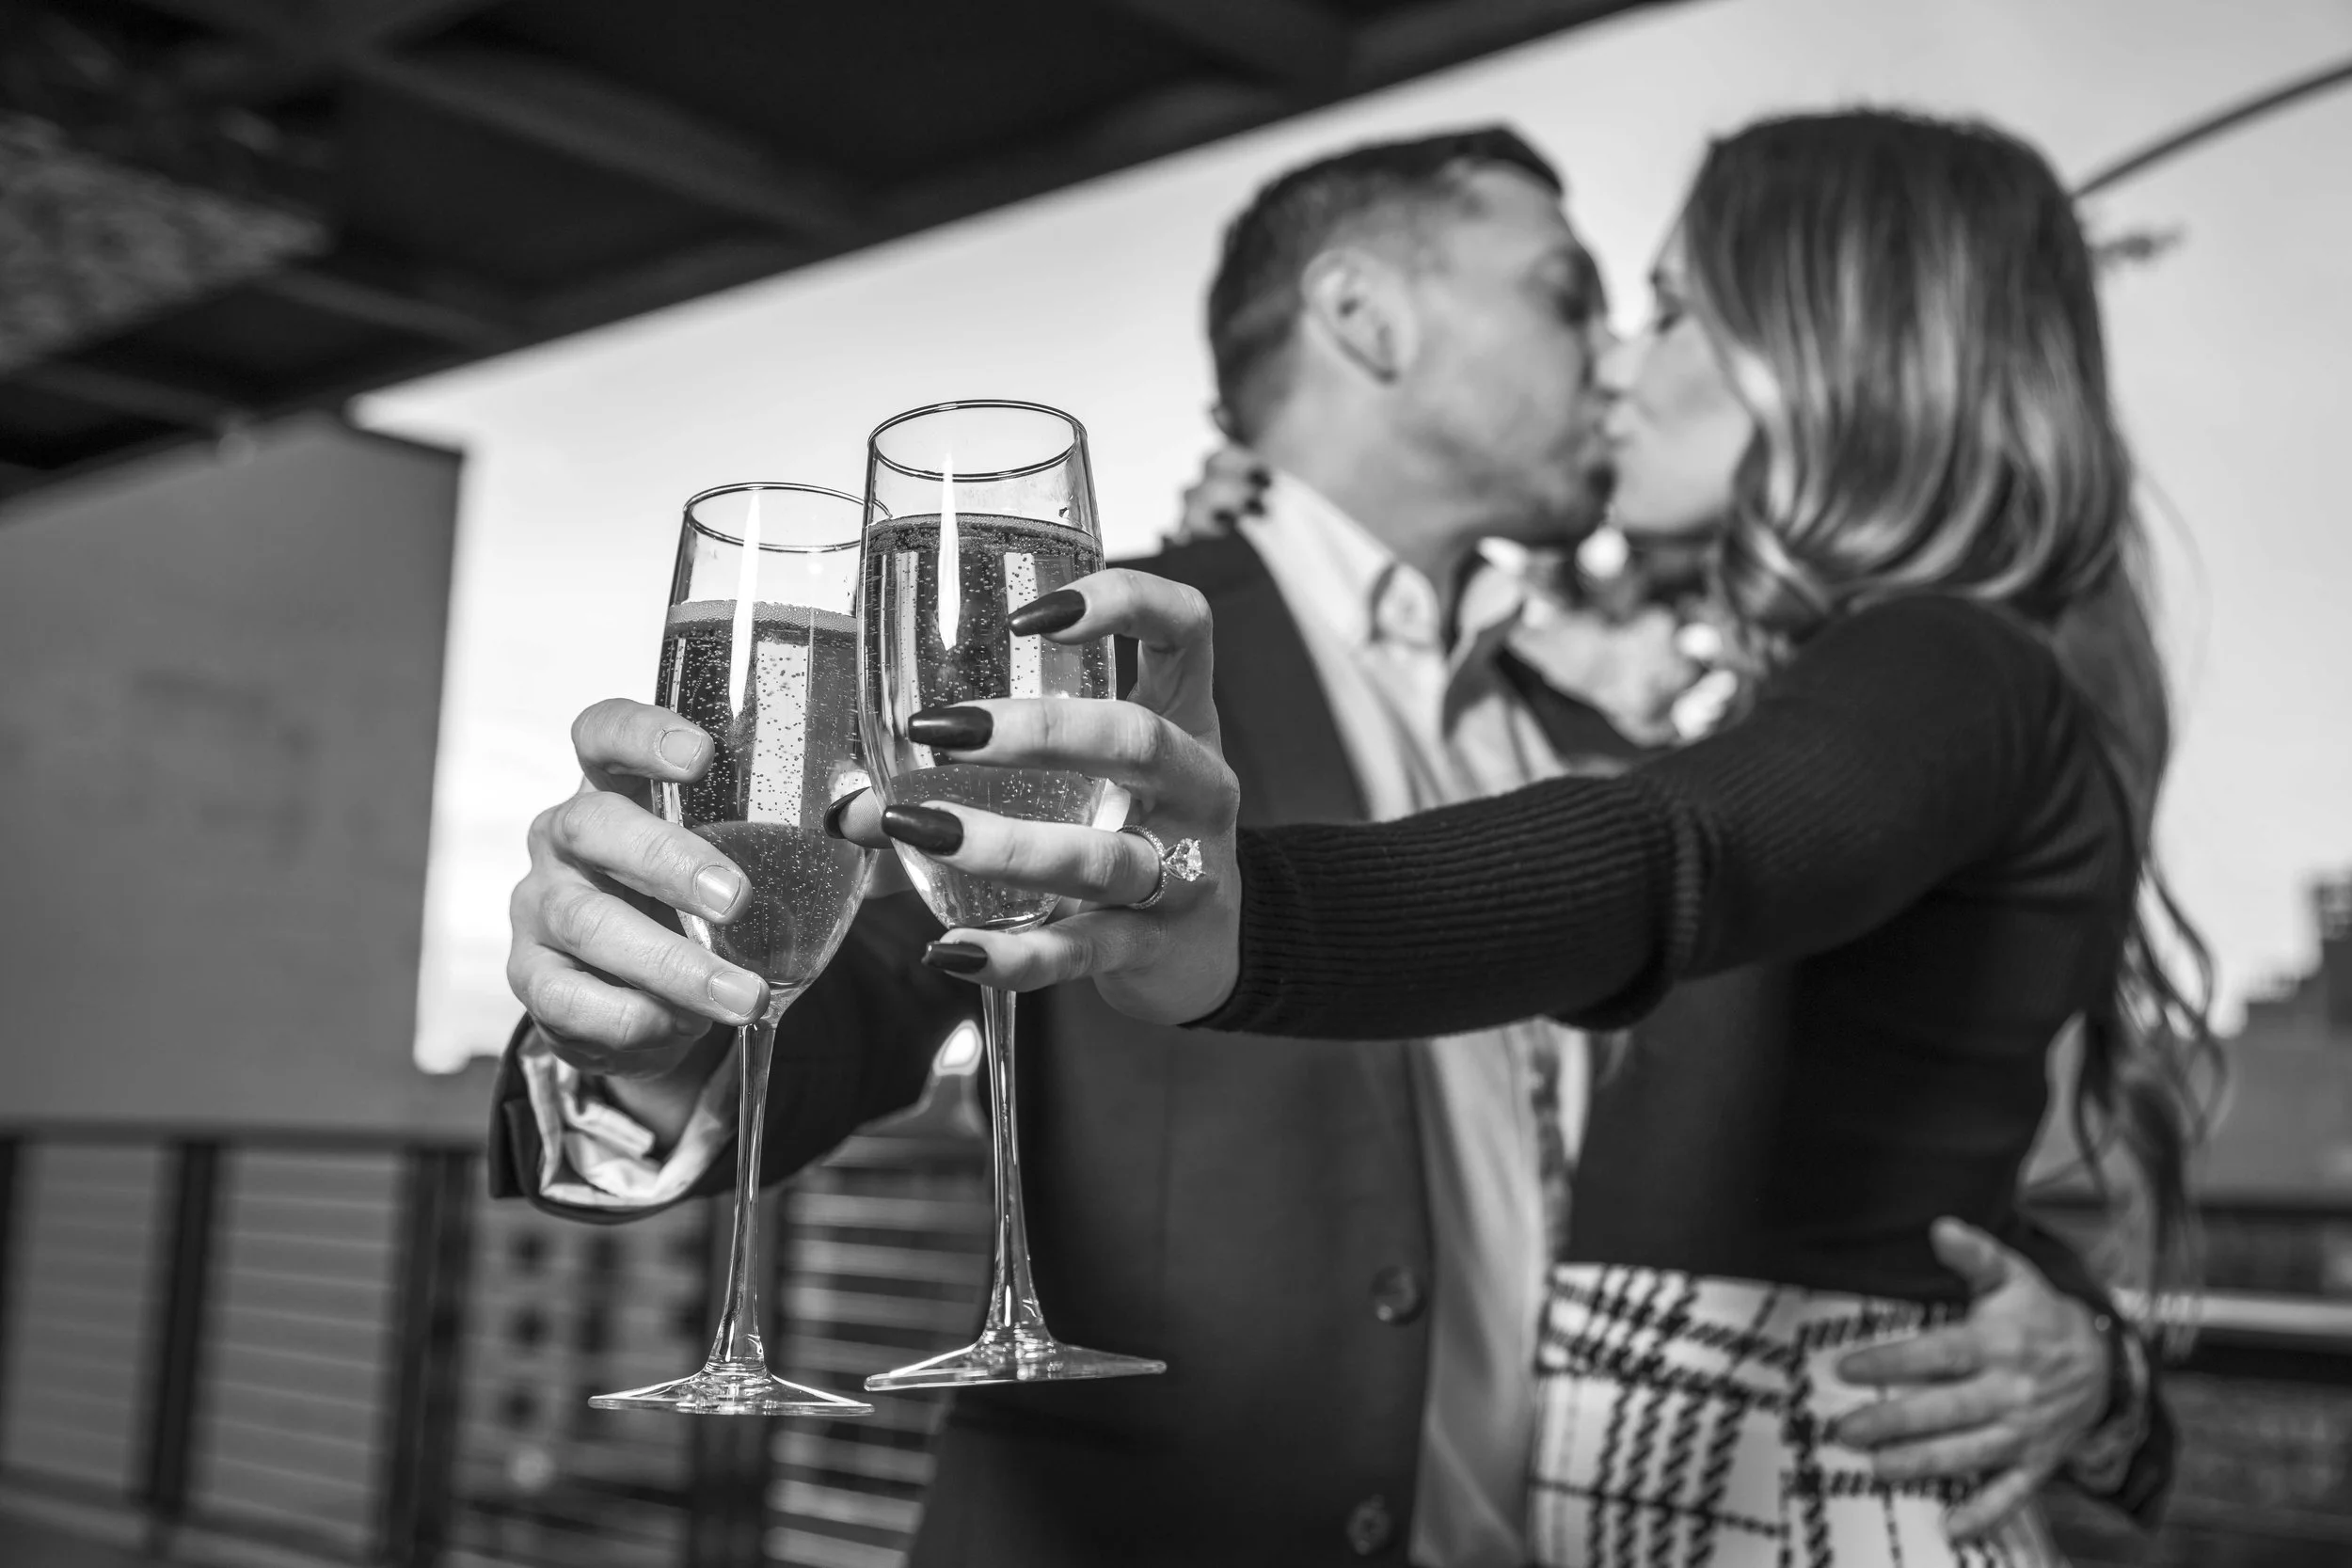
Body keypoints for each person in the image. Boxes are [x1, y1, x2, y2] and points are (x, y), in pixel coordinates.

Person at [500, 128, 2168, 1566]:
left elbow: (1819, 1104)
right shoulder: (1070, 665)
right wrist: (635, 1046)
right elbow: (854, 974)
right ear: (1367, 315)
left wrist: (2085, 1353)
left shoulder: (1616, 756)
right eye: (1571, 294)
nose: (1611, 357)